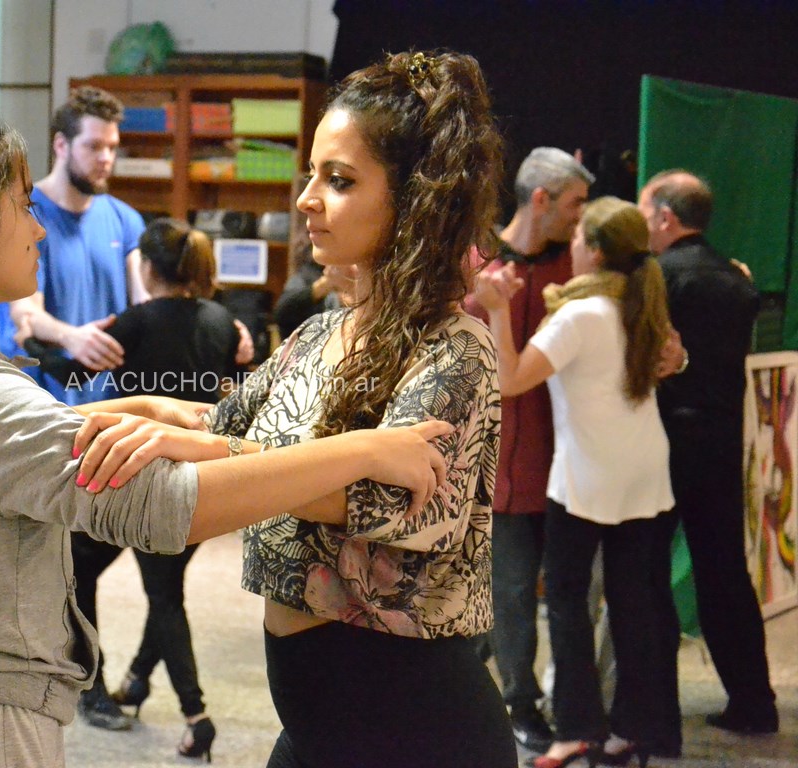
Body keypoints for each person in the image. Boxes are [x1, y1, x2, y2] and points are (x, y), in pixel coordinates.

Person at [0, 107, 454, 768]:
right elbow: (170, 504)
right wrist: (364, 450)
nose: (37, 228)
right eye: (22, 206)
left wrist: (137, 409)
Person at [104, 48, 514, 768]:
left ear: (414, 199)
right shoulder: (320, 334)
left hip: (415, 730)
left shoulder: (457, 350)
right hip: (318, 729)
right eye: (312, 175)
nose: (307, 200)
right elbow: (221, 427)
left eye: (340, 180)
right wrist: (140, 412)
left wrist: (211, 450)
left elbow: (375, 498)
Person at [0, 86, 249, 730]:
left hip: (118, 421)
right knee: (59, 566)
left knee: (125, 568)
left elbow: (150, 309)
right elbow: (25, 316)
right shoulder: (26, 215)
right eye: (95, 146)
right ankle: (79, 681)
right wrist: (70, 336)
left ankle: (110, 678)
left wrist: (221, 329)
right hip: (51, 414)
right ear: (61, 145)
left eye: (114, 147)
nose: (107, 158)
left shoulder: (126, 221)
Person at [475, 196, 677, 768]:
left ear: (597, 251)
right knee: (634, 602)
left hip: (587, 477)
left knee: (567, 605)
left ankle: (576, 730)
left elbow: (510, 379)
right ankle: (630, 731)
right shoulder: (642, 303)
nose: (574, 245)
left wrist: (496, 310)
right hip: (643, 473)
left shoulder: (579, 315)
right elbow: (669, 359)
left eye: (582, 238)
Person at [28, 216, 238, 757]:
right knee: (163, 584)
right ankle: (137, 680)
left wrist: (32, 345)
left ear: (146, 268)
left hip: (135, 477)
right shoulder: (223, 322)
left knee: (114, 579)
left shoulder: (137, 321)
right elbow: (232, 382)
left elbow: (73, 372)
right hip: (204, 479)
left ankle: (193, 714)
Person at [462, 146, 593, 754]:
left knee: (553, 595)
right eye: (575, 203)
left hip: (569, 464)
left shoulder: (579, 265)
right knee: (512, 591)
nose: (581, 216)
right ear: (541, 200)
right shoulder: (476, 263)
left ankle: (512, 690)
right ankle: (519, 702)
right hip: (495, 466)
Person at [639, 170, 778, 737]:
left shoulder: (656, 278)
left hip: (663, 442)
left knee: (646, 574)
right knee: (724, 575)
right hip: (721, 444)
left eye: (644, 213)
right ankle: (754, 702)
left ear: (665, 218)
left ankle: (654, 711)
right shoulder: (737, 281)